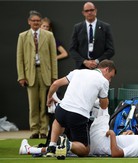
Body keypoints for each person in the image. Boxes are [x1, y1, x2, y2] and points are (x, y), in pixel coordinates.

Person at [19, 110, 138, 158]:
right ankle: (29, 150)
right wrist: (126, 136)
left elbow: (117, 154)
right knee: (61, 150)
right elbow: (123, 145)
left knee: (103, 113)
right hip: (101, 142)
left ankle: (69, 114)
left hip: (102, 142)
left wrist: (113, 135)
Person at [45, 59, 116, 158]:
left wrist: (49, 97)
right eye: (111, 77)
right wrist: (105, 100)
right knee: (85, 150)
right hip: (78, 116)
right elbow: (103, 106)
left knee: (59, 120)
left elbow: (55, 84)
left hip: (62, 110)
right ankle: (67, 144)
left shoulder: (77, 72)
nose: (110, 80)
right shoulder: (104, 81)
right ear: (106, 69)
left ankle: (52, 146)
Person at [16, 10, 58, 139]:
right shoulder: (23, 36)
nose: (36, 23)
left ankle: (44, 130)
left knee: (45, 104)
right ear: (29, 22)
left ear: (41, 22)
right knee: (33, 105)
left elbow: (53, 57)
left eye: (38, 21)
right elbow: (20, 57)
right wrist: (21, 76)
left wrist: (54, 77)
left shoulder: (49, 35)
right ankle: (34, 130)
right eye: (33, 20)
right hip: (30, 74)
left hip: (45, 73)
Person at [40, 16, 69, 147]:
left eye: (47, 27)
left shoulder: (52, 40)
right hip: (35, 73)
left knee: (49, 104)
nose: (45, 29)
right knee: (38, 104)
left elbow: (64, 53)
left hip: (49, 74)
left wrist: (52, 59)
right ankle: (37, 130)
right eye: (43, 26)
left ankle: (45, 130)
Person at [69, 1, 115, 69]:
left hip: (100, 67)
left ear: (95, 10)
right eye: (87, 11)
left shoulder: (105, 27)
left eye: (91, 10)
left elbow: (111, 50)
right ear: (83, 13)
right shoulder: (77, 28)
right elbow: (72, 49)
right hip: (82, 67)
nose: (89, 12)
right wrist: (84, 61)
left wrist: (97, 61)